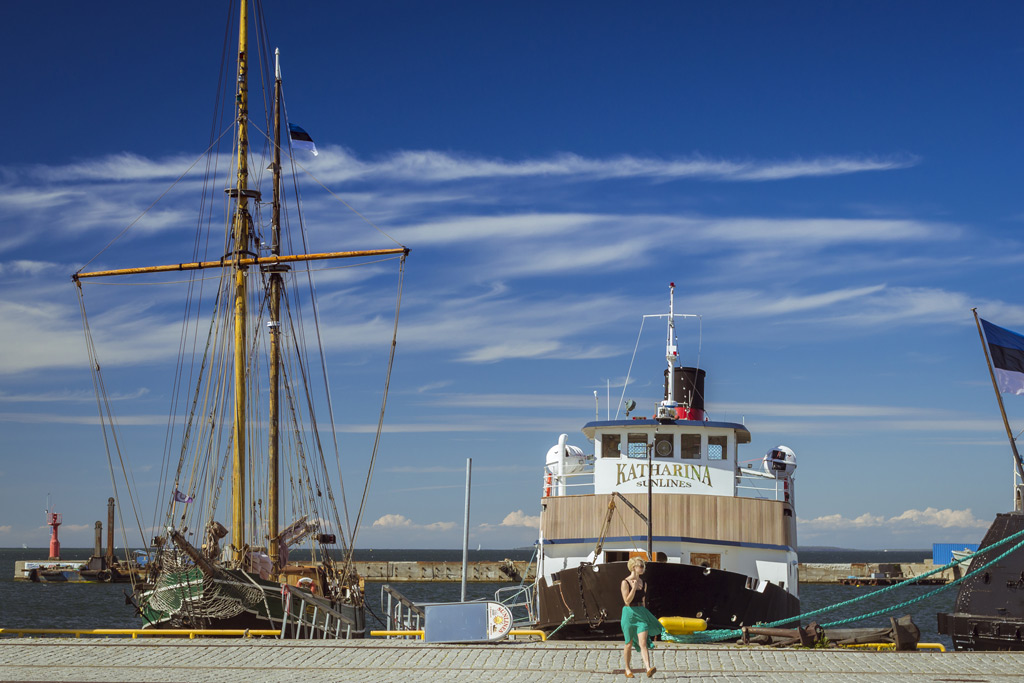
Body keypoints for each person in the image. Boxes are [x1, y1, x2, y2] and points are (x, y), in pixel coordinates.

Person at [620, 556, 664, 678]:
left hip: (641, 613)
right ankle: (627, 669)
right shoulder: (625, 582)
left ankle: (648, 668)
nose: (643, 568)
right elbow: (627, 601)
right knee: (628, 643)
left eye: (643, 566)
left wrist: (645, 612)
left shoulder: (643, 582)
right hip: (629, 613)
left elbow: (643, 600)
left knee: (643, 642)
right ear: (633, 567)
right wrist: (633, 588)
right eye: (641, 566)